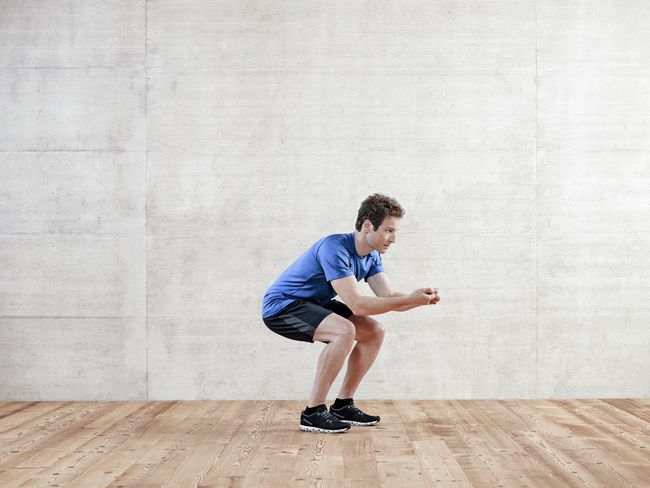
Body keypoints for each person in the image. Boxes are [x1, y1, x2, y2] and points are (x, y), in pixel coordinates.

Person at [261, 193, 440, 433]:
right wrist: (410, 299)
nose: (393, 239)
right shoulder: (334, 248)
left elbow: (387, 297)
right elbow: (357, 304)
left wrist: (419, 299)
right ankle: (313, 412)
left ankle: (343, 405)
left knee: (374, 332)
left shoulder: (372, 255)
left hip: (314, 303)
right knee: (344, 330)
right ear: (368, 226)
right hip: (282, 307)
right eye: (389, 230)